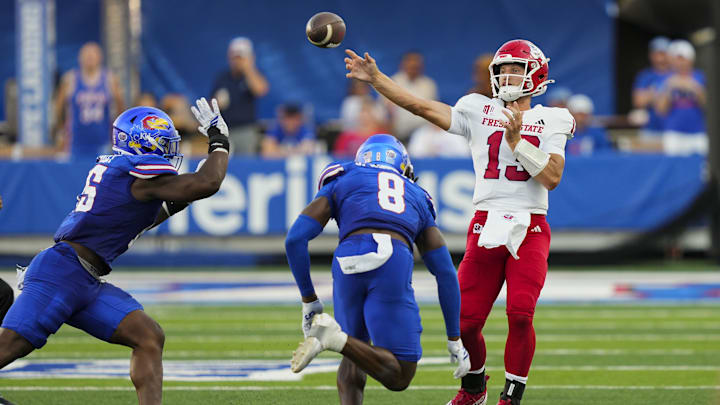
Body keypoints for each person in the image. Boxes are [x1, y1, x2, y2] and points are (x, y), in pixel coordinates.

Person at [345, 39, 574, 405]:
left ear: (536, 73)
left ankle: (511, 397)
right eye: (502, 69)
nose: (507, 75)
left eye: (515, 68)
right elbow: (419, 105)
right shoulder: (476, 109)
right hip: (486, 222)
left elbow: (551, 178)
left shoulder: (554, 117)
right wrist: (377, 79)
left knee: (519, 314)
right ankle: (474, 387)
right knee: (465, 322)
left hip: (530, 225)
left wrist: (518, 142)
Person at [0, 98, 230, 405]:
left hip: (83, 276)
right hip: (63, 273)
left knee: (148, 336)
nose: (168, 151)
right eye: (162, 143)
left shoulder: (122, 171)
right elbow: (208, 181)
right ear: (141, 142)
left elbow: (149, 214)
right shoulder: (134, 170)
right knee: (9, 347)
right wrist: (219, 141)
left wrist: (187, 194)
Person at [287, 134, 471, 404]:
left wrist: (309, 300)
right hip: (391, 258)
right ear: (403, 165)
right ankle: (333, 338)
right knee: (400, 375)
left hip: (346, 259)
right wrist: (454, 337)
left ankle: (335, 338)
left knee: (354, 353)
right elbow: (444, 272)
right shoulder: (417, 194)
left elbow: (295, 239)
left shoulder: (343, 176)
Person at [54, 42, 124, 158]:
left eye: (93, 55)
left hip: (102, 142)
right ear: (79, 58)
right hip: (75, 143)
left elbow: (120, 106)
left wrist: (117, 134)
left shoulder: (110, 79)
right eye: (86, 55)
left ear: (100, 58)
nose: (90, 58)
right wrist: (61, 132)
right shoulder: (70, 79)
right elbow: (58, 107)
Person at [211, 37, 269, 155]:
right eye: (235, 57)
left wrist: (248, 68)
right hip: (224, 130)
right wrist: (216, 102)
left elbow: (260, 89)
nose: (237, 61)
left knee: (246, 163)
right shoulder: (223, 77)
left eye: (241, 57)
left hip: (246, 130)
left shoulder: (251, 76)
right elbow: (210, 103)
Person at [654, 39, 707, 156]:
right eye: (676, 59)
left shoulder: (700, 77)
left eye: (682, 58)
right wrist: (669, 88)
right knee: (674, 169)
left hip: (698, 133)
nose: (680, 63)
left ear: (690, 59)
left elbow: (708, 105)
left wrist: (694, 87)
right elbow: (660, 110)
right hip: (674, 133)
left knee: (702, 170)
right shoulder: (665, 79)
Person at [386, 51, 438, 141]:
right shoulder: (393, 82)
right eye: (411, 65)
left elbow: (434, 110)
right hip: (399, 134)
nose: (413, 68)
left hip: (423, 135)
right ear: (403, 65)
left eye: (416, 66)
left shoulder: (428, 84)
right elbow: (386, 111)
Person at [631, 36, 671, 138]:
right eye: (657, 53)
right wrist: (665, 93)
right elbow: (638, 101)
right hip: (651, 129)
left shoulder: (676, 74)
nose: (660, 57)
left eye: (663, 53)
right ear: (651, 55)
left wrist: (651, 94)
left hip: (674, 129)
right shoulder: (645, 76)